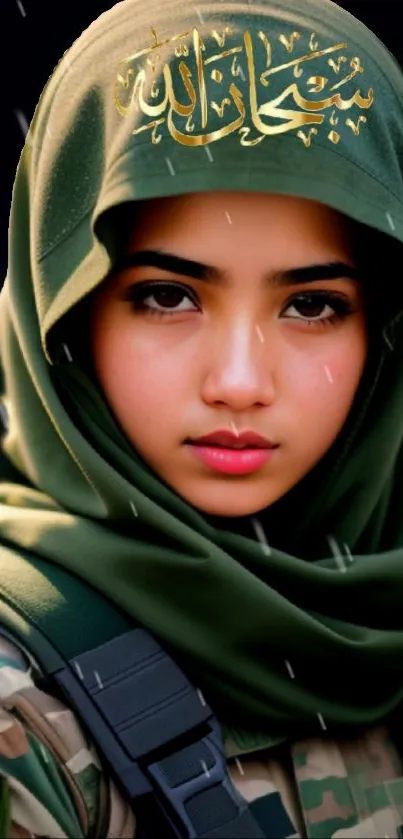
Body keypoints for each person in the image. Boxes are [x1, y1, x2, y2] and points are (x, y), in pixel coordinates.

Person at [2, 0, 403, 835]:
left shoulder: (381, 613)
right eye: (167, 295)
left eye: (312, 305)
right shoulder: (21, 715)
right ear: (66, 317)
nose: (238, 379)